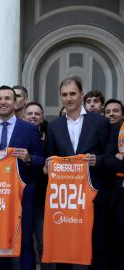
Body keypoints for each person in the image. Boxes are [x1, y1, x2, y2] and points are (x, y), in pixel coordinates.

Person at [0, 85, 44, 270]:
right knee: (1, 243)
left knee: (25, 242)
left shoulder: (29, 129)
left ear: (15, 102)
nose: (3, 102)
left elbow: (42, 161)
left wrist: (29, 158)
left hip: (23, 196)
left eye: (7, 98)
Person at [45, 78, 110, 270]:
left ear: (81, 94)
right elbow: (50, 156)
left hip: (93, 196)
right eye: (64, 94)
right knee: (63, 246)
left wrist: (97, 160)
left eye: (72, 93)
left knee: (95, 245)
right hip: (66, 199)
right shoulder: (54, 126)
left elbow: (109, 156)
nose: (68, 98)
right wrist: (48, 165)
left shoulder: (100, 122)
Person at [22, 101, 52, 270]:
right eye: (30, 114)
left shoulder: (50, 135)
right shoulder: (18, 135)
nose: (33, 116)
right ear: (24, 116)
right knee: (24, 242)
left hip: (44, 196)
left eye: (37, 114)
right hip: (23, 195)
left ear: (42, 118)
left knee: (43, 242)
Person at [104, 115, 124, 269]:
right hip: (120, 193)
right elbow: (109, 160)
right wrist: (118, 161)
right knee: (119, 240)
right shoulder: (118, 127)